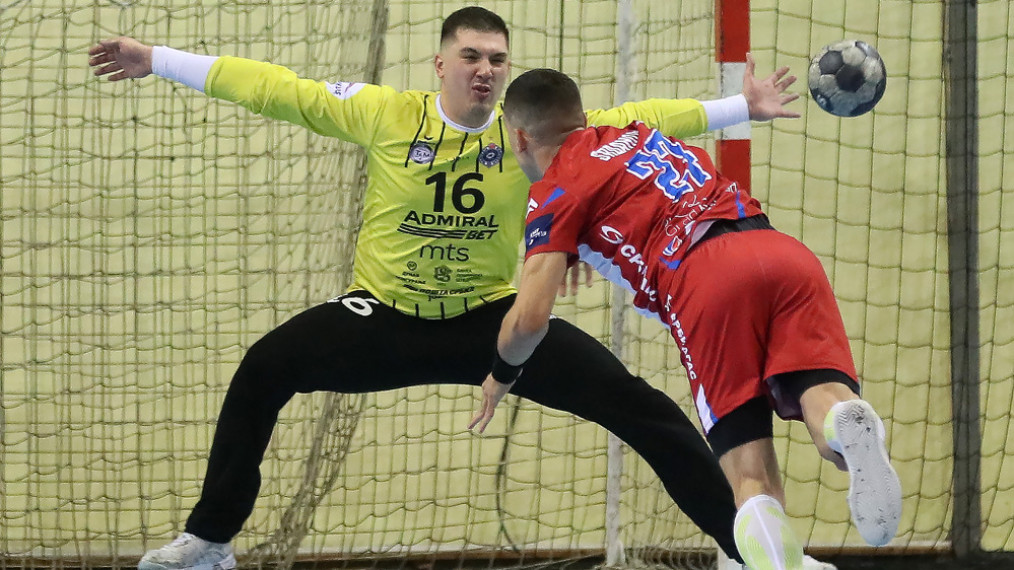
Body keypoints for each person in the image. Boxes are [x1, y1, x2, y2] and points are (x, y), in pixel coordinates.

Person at [89, 7, 834, 570]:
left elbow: (645, 119)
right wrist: (156, 59)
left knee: (643, 408)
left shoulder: (528, 134)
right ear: (440, 63)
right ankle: (211, 541)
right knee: (264, 368)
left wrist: (743, 107)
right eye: (471, 56)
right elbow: (275, 89)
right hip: (382, 318)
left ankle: (752, 552)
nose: (485, 69)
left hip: (487, 320)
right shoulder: (388, 114)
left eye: (497, 59)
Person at [468, 67, 904, 570]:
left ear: (519, 138)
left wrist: (502, 372)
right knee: (823, 394)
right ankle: (843, 422)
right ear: (583, 117)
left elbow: (528, 321)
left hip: (705, 279)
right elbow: (640, 181)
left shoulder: (554, 191)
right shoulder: (636, 134)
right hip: (779, 251)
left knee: (751, 477)